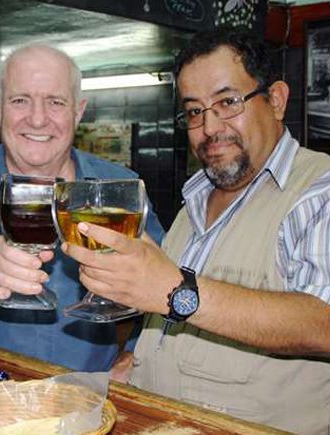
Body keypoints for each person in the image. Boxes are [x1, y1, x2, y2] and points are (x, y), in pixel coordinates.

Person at [62, 28, 330, 434]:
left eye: (227, 102)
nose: (209, 127)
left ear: (276, 100)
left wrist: (176, 290)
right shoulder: (195, 199)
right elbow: (173, 323)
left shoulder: (318, 190)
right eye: (194, 111)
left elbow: (322, 322)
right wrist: (138, 359)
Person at [0, 44, 165, 372]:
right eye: (20, 100)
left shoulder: (120, 187)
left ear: (78, 111)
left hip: (90, 397)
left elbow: (167, 279)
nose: (38, 119)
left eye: (56, 102)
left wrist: (134, 355)